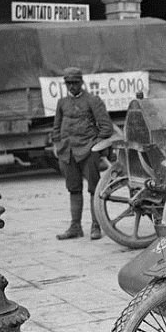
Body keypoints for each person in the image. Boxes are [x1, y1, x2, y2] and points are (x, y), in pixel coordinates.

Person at [51, 67, 114, 240]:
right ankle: (75, 227)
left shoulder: (93, 100)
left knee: (95, 189)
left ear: (81, 82)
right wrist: (58, 144)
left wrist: (94, 145)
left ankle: (96, 226)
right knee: (73, 189)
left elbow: (106, 128)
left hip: (88, 152)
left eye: (75, 82)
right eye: (68, 83)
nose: (72, 86)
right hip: (68, 153)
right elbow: (56, 127)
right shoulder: (62, 103)